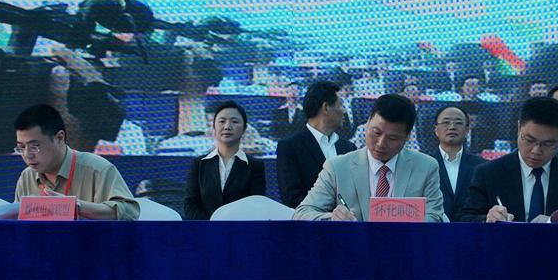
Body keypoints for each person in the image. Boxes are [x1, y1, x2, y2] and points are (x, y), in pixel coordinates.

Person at [293, 94, 446, 222]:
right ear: (367, 124)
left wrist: (406, 222)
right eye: (376, 133)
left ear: (407, 137)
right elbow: (302, 213)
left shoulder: (426, 167)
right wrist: (332, 219)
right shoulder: (337, 167)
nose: (381, 144)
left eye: (392, 138)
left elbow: (435, 217)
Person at [458, 97, 558, 223]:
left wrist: (556, 222)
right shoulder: (488, 173)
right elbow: (466, 218)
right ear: (519, 128)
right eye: (529, 140)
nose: (536, 151)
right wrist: (487, 220)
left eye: (547, 144)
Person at [14, 104, 139, 220]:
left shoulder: (97, 169)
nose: (27, 155)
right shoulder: (27, 177)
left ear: (59, 138)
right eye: (21, 147)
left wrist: (74, 206)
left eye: (35, 146)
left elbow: (130, 212)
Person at [277, 80, 356, 208]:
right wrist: (330, 215)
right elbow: (292, 199)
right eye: (341, 105)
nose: (345, 111)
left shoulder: (348, 148)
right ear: (326, 108)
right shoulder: (290, 147)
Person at [184, 100, 267, 220]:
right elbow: (191, 204)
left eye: (234, 121)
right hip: (204, 228)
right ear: (214, 126)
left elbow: (255, 206)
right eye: (222, 121)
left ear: (244, 128)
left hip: (240, 228)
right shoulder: (199, 164)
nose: (227, 127)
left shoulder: (255, 166)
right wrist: (209, 226)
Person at [432, 105, 485, 221]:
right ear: (436, 130)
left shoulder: (483, 167)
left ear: (467, 130)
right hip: (433, 229)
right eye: (446, 122)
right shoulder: (424, 165)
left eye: (458, 123)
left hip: (471, 229)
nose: (452, 127)